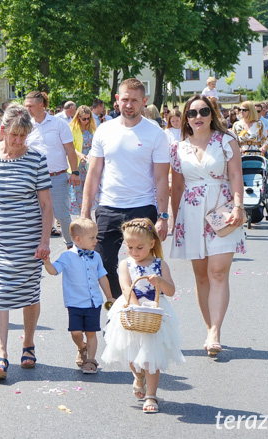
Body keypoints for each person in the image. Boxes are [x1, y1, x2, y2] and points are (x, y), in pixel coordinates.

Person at [0, 104, 52, 379]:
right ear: (3, 131)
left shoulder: (37, 158)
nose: (18, 141)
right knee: (0, 293)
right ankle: (1, 355)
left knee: (30, 293)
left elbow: (46, 205)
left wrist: (44, 242)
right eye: (14, 135)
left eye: (23, 136)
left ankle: (28, 343)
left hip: (28, 239)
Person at [169, 95, 245, 357]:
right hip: (190, 214)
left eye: (203, 111)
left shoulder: (226, 141)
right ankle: (210, 327)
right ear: (185, 118)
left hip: (222, 210)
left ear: (212, 114)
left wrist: (238, 206)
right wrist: (174, 218)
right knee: (201, 276)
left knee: (218, 272)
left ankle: (215, 332)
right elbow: (177, 186)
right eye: (192, 113)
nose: (198, 116)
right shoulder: (178, 148)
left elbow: (236, 175)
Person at [80, 78, 170, 300]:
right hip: (109, 206)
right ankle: (121, 307)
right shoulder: (104, 130)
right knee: (103, 265)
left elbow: (161, 178)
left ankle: (144, 310)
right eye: (125, 99)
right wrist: (84, 214)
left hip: (142, 208)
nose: (129, 105)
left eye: (134, 100)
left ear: (143, 102)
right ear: (117, 100)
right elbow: (93, 174)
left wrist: (163, 217)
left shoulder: (155, 133)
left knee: (144, 267)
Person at [101, 219, 184, 414]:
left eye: (139, 247)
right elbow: (125, 286)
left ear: (152, 244)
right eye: (130, 247)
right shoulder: (125, 264)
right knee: (131, 349)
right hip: (131, 307)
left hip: (155, 310)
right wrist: (137, 309)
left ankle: (151, 395)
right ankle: (138, 376)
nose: (134, 251)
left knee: (151, 354)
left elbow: (170, 291)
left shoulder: (159, 264)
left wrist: (160, 281)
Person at [43, 218, 114, 375]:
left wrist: (109, 297)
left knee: (91, 332)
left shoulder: (96, 256)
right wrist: (47, 263)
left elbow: (102, 276)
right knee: (75, 332)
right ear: (77, 239)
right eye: (92, 238)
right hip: (75, 302)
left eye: (96, 237)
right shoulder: (67, 256)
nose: (96, 240)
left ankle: (91, 360)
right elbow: (54, 271)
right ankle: (82, 347)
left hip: (93, 302)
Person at [24, 91, 80, 250]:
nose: (27, 109)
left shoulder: (58, 124)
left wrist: (74, 172)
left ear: (41, 105)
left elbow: (70, 150)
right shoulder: (26, 125)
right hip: (33, 178)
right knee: (35, 216)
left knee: (62, 215)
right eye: (26, 105)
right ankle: (37, 248)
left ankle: (72, 247)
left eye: (30, 106)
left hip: (57, 177)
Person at [69, 105, 95, 217]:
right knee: (78, 191)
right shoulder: (72, 128)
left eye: (88, 118)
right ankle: (80, 215)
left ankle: (88, 213)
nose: (86, 121)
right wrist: (79, 154)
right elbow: (69, 146)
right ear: (78, 117)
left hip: (90, 163)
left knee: (90, 190)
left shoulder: (92, 128)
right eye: (84, 118)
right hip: (78, 163)